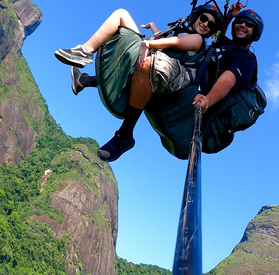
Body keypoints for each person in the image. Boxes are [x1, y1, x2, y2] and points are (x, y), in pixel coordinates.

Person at [54, 5, 223, 162]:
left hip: (170, 74)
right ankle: (84, 52)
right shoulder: (180, 32)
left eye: (210, 24)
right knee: (121, 14)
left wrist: (149, 43)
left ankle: (125, 134)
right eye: (204, 18)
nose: (206, 23)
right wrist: (153, 27)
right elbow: (166, 37)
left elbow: (174, 43)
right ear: (196, 18)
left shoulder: (198, 40)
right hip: (156, 55)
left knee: (145, 63)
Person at [140, 7, 264, 160]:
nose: (243, 25)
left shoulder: (246, 59)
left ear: (255, 33)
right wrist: (231, 16)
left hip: (192, 107)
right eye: (240, 21)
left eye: (249, 24)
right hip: (181, 91)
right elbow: (218, 33)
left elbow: (228, 79)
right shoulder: (224, 45)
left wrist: (208, 99)